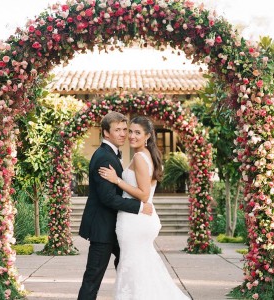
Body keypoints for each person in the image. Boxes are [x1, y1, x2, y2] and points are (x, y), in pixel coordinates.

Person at [98, 116, 190, 300]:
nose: (131, 136)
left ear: (147, 135)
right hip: (140, 219)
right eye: (130, 131)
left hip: (135, 220)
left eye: (137, 132)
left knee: (133, 266)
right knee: (141, 266)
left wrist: (117, 180)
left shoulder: (140, 157)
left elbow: (144, 194)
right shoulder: (147, 154)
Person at [78, 112, 153, 300]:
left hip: (116, 227)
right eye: (117, 130)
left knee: (130, 268)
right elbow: (108, 198)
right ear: (106, 133)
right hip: (103, 228)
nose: (123, 134)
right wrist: (138, 207)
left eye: (124, 130)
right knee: (92, 278)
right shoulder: (105, 157)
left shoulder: (111, 154)